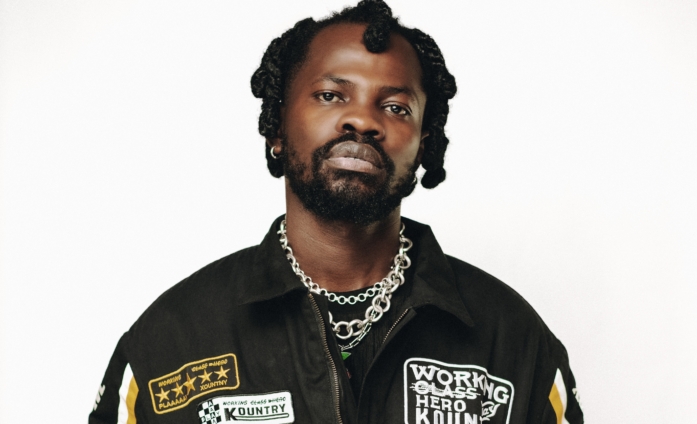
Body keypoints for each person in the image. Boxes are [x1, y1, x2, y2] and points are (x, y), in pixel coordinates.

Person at [89, 1, 584, 423]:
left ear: (423, 146)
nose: (362, 120)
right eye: (330, 95)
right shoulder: (172, 339)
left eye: (396, 107)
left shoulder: (514, 340)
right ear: (277, 126)